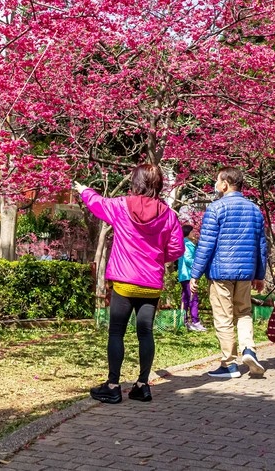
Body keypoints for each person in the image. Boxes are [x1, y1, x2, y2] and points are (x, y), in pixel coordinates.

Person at [74, 164, 184, 404]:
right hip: (151, 285)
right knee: (145, 332)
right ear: (158, 185)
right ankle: (142, 385)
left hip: (124, 283)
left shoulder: (120, 206)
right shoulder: (169, 215)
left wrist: (84, 190)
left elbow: (98, 204)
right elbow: (176, 248)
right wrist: (156, 258)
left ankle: (113, 386)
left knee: (117, 332)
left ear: (136, 182)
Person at [190, 167, 268, 378]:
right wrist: (260, 275)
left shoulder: (216, 209)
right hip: (245, 272)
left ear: (225, 183)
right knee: (244, 312)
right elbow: (262, 245)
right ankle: (249, 349)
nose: (216, 185)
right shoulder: (254, 210)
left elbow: (206, 245)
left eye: (217, 181)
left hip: (220, 271)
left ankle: (229, 365)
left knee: (223, 317)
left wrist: (195, 274)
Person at [177, 225, 206, 331]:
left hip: (184, 275)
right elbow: (188, 260)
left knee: (185, 298)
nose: (194, 233)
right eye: (192, 231)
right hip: (188, 275)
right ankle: (195, 322)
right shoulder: (187, 244)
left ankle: (183, 321)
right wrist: (199, 266)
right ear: (187, 233)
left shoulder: (186, 243)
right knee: (193, 298)